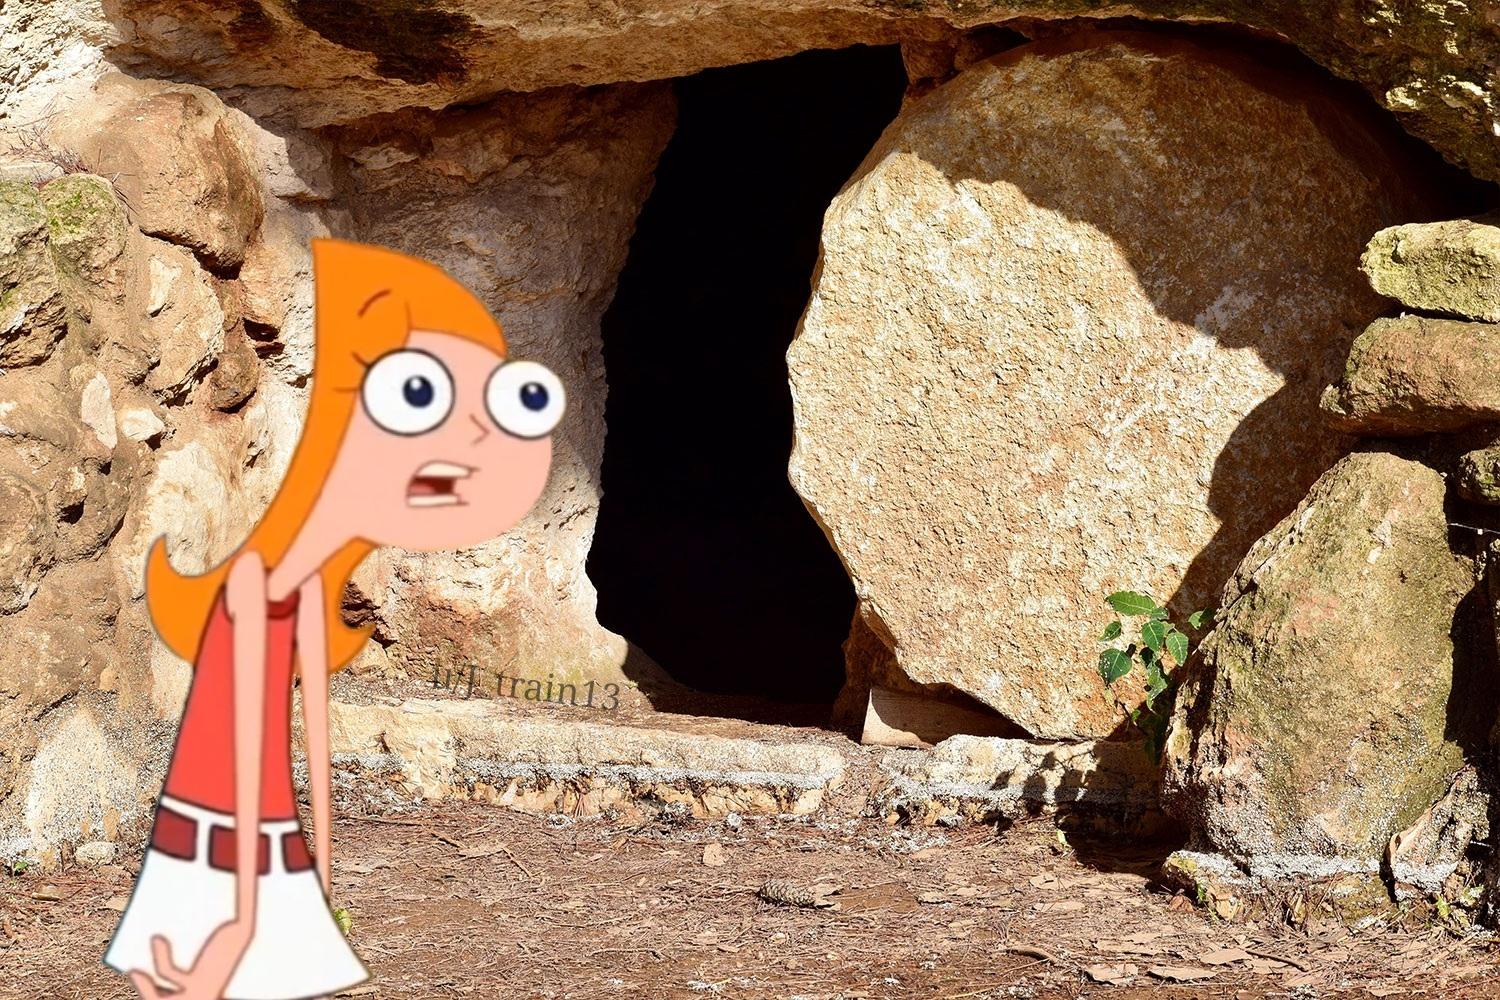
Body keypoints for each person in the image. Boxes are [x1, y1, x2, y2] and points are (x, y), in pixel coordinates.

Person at [103, 238, 566, 999]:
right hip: (224, 829)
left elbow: (306, 725)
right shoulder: (263, 580)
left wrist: (311, 874)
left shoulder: (296, 581)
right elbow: (266, 738)